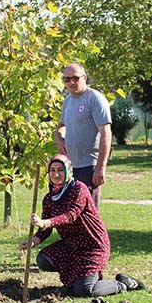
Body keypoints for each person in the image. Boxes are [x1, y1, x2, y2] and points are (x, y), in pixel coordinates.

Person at [21, 154, 144, 297]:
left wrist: (45, 222)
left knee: (85, 291)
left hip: (93, 245)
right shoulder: (49, 198)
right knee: (43, 260)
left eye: (60, 170)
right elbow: (45, 230)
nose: (56, 174)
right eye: (52, 170)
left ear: (68, 171)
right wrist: (34, 241)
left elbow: (70, 215)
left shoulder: (79, 189)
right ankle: (78, 280)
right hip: (71, 245)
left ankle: (123, 284)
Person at [54, 63, 112, 206]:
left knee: (88, 214)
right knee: (71, 213)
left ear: (84, 78)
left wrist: (100, 167)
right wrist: (59, 139)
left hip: (90, 166)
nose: (71, 82)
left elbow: (106, 133)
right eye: (67, 79)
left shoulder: (95, 99)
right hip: (70, 167)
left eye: (75, 78)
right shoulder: (68, 101)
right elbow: (61, 127)